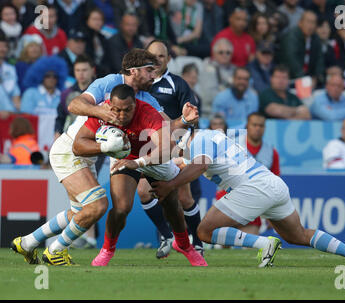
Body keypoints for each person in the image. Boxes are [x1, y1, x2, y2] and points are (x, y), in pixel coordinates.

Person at [149, 127, 345, 268]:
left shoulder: (199, 141)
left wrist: (169, 186)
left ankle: (263, 243)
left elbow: (198, 166)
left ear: (180, 139)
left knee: (204, 231)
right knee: (299, 235)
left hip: (253, 187)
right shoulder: (207, 140)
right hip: (272, 184)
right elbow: (181, 163)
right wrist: (135, 163)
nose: (171, 150)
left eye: (171, 145)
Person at [67, 48, 204, 266]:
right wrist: (104, 114)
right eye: (150, 70)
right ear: (134, 71)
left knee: (172, 203)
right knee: (121, 207)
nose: (154, 76)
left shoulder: (148, 101)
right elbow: (74, 105)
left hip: (149, 154)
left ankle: (184, 245)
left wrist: (184, 121)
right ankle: (106, 251)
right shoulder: (108, 84)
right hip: (121, 151)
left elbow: (166, 132)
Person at [143, 40, 204, 258]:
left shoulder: (177, 84)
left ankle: (197, 242)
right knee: (144, 193)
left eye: (161, 56)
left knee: (184, 198)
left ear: (169, 59)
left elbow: (192, 118)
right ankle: (166, 235)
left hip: (174, 147)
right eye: (152, 56)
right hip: (147, 148)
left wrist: (182, 146)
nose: (157, 60)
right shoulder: (140, 84)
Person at [55, 54, 96, 139]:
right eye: (77, 70)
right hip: (72, 137)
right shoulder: (66, 93)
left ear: (93, 70)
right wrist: (57, 132)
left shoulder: (101, 91)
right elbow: (60, 118)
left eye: (84, 70)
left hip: (95, 136)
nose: (81, 74)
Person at [278, 10, 324, 84]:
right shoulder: (291, 37)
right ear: (300, 23)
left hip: (309, 79)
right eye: (308, 22)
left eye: (313, 22)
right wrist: (305, 79)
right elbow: (292, 60)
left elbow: (319, 59)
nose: (311, 25)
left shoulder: (315, 38)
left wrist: (318, 77)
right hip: (291, 78)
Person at [199, 37, 236, 118]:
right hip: (211, 113)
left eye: (228, 52)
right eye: (221, 52)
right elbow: (209, 96)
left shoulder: (235, 70)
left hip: (232, 112)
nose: (224, 55)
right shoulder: (207, 68)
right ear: (214, 53)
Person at [0, 35, 20, 113]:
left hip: (10, 114)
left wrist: (19, 111)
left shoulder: (11, 68)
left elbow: (15, 92)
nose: (2, 49)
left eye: (4, 46)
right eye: (0, 46)